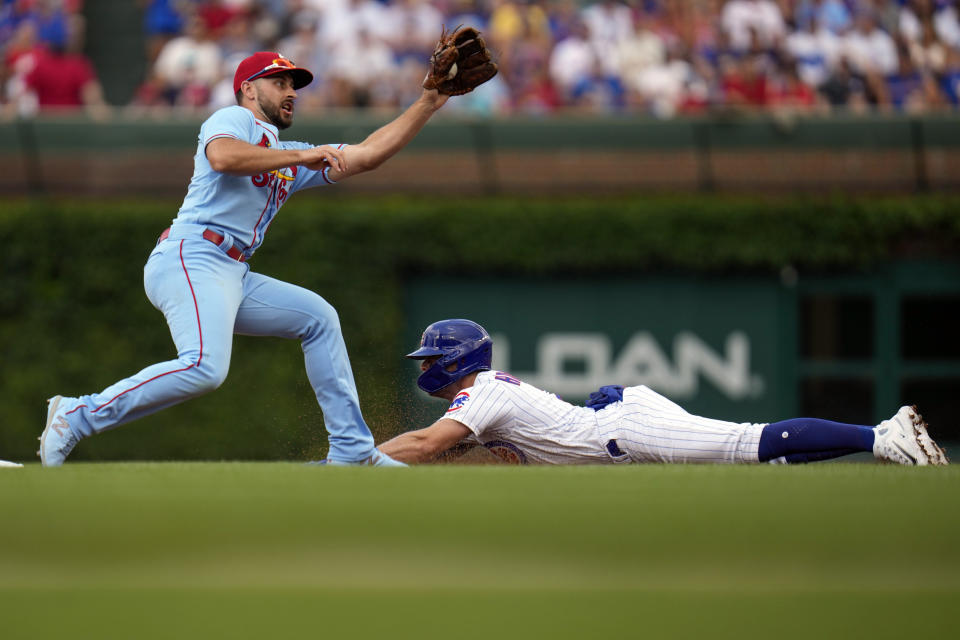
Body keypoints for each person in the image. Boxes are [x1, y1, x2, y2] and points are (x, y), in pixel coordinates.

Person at [39, 49, 459, 467]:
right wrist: (300, 156)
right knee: (204, 367)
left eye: (293, 84)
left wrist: (427, 103)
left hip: (231, 272)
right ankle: (78, 415)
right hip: (192, 254)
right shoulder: (235, 119)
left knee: (318, 318)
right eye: (280, 82)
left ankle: (352, 450)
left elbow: (367, 155)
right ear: (248, 89)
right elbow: (223, 157)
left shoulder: (287, 153)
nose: (290, 91)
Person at [378, 319, 950, 467]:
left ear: (455, 359)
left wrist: (358, 458)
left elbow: (427, 444)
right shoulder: (482, 398)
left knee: (746, 444)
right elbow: (441, 451)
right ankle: (877, 439)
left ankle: (882, 435)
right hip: (615, 429)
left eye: (431, 357)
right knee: (753, 458)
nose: (426, 367)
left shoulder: (479, 395)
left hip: (623, 435)